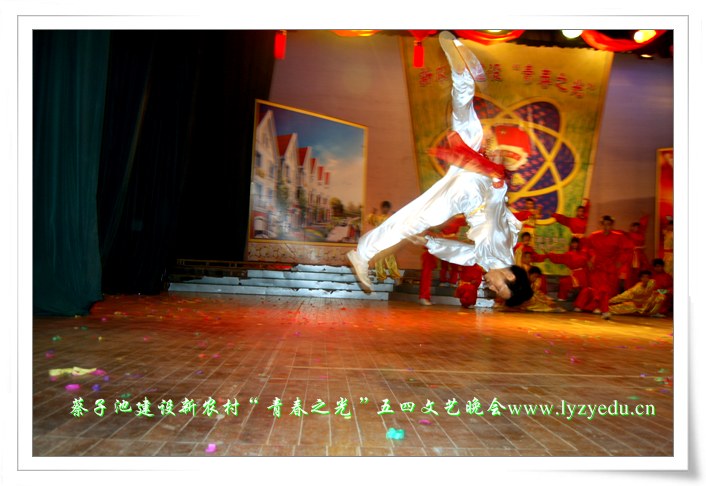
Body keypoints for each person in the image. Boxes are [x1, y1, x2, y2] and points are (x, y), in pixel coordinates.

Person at [347, 31, 533, 307]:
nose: (492, 288)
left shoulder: (491, 259)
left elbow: (465, 255)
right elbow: (496, 217)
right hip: (473, 193)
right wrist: (497, 183)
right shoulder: (500, 250)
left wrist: (431, 244)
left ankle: (462, 75)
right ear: (510, 276)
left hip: (477, 182)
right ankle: (362, 254)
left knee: (464, 119)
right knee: (414, 218)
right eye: (500, 289)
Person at [572, 215, 633, 319]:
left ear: (612, 225)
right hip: (598, 267)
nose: (606, 227)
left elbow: (627, 250)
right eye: (604, 224)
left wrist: (620, 261)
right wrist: (588, 260)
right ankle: (604, 310)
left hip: (611, 266)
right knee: (600, 289)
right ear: (600, 225)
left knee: (607, 290)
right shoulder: (594, 236)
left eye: (608, 225)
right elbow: (585, 249)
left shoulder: (619, 237)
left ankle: (602, 308)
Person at [417, 214, 466, 305]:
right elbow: (426, 231)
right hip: (435, 244)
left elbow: (464, 235)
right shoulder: (436, 215)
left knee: (459, 260)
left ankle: (454, 282)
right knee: (427, 266)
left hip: (451, 246)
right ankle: (424, 296)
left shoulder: (461, 219)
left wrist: (448, 237)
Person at [534, 237, 588, 301]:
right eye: (573, 243)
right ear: (571, 244)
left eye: (576, 243)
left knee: (585, 288)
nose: (574, 245)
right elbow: (559, 257)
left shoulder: (583, 253)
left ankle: (582, 300)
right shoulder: (568, 254)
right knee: (564, 282)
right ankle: (562, 297)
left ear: (578, 244)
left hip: (583, 274)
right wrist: (550, 254)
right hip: (574, 274)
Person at [366, 201, 402, 284]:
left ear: (388, 209)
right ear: (382, 208)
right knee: (378, 260)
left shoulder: (390, 219)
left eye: (387, 208)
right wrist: (373, 212)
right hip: (379, 243)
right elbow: (369, 219)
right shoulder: (378, 218)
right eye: (384, 208)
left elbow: (398, 224)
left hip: (387, 243)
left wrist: (396, 216)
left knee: (390, 260)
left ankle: (395, 277)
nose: (385, 209)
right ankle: (381, 277)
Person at [625, 215, 650, 288]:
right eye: (634, 227)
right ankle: (631, 286)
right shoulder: (629, 235)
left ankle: (641, 285)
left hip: (640, 255)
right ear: (632, 227)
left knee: (641, 270)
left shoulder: (641, 234)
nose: (636, 228)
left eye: (637, 227)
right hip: (632, 255)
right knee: (631, 271)